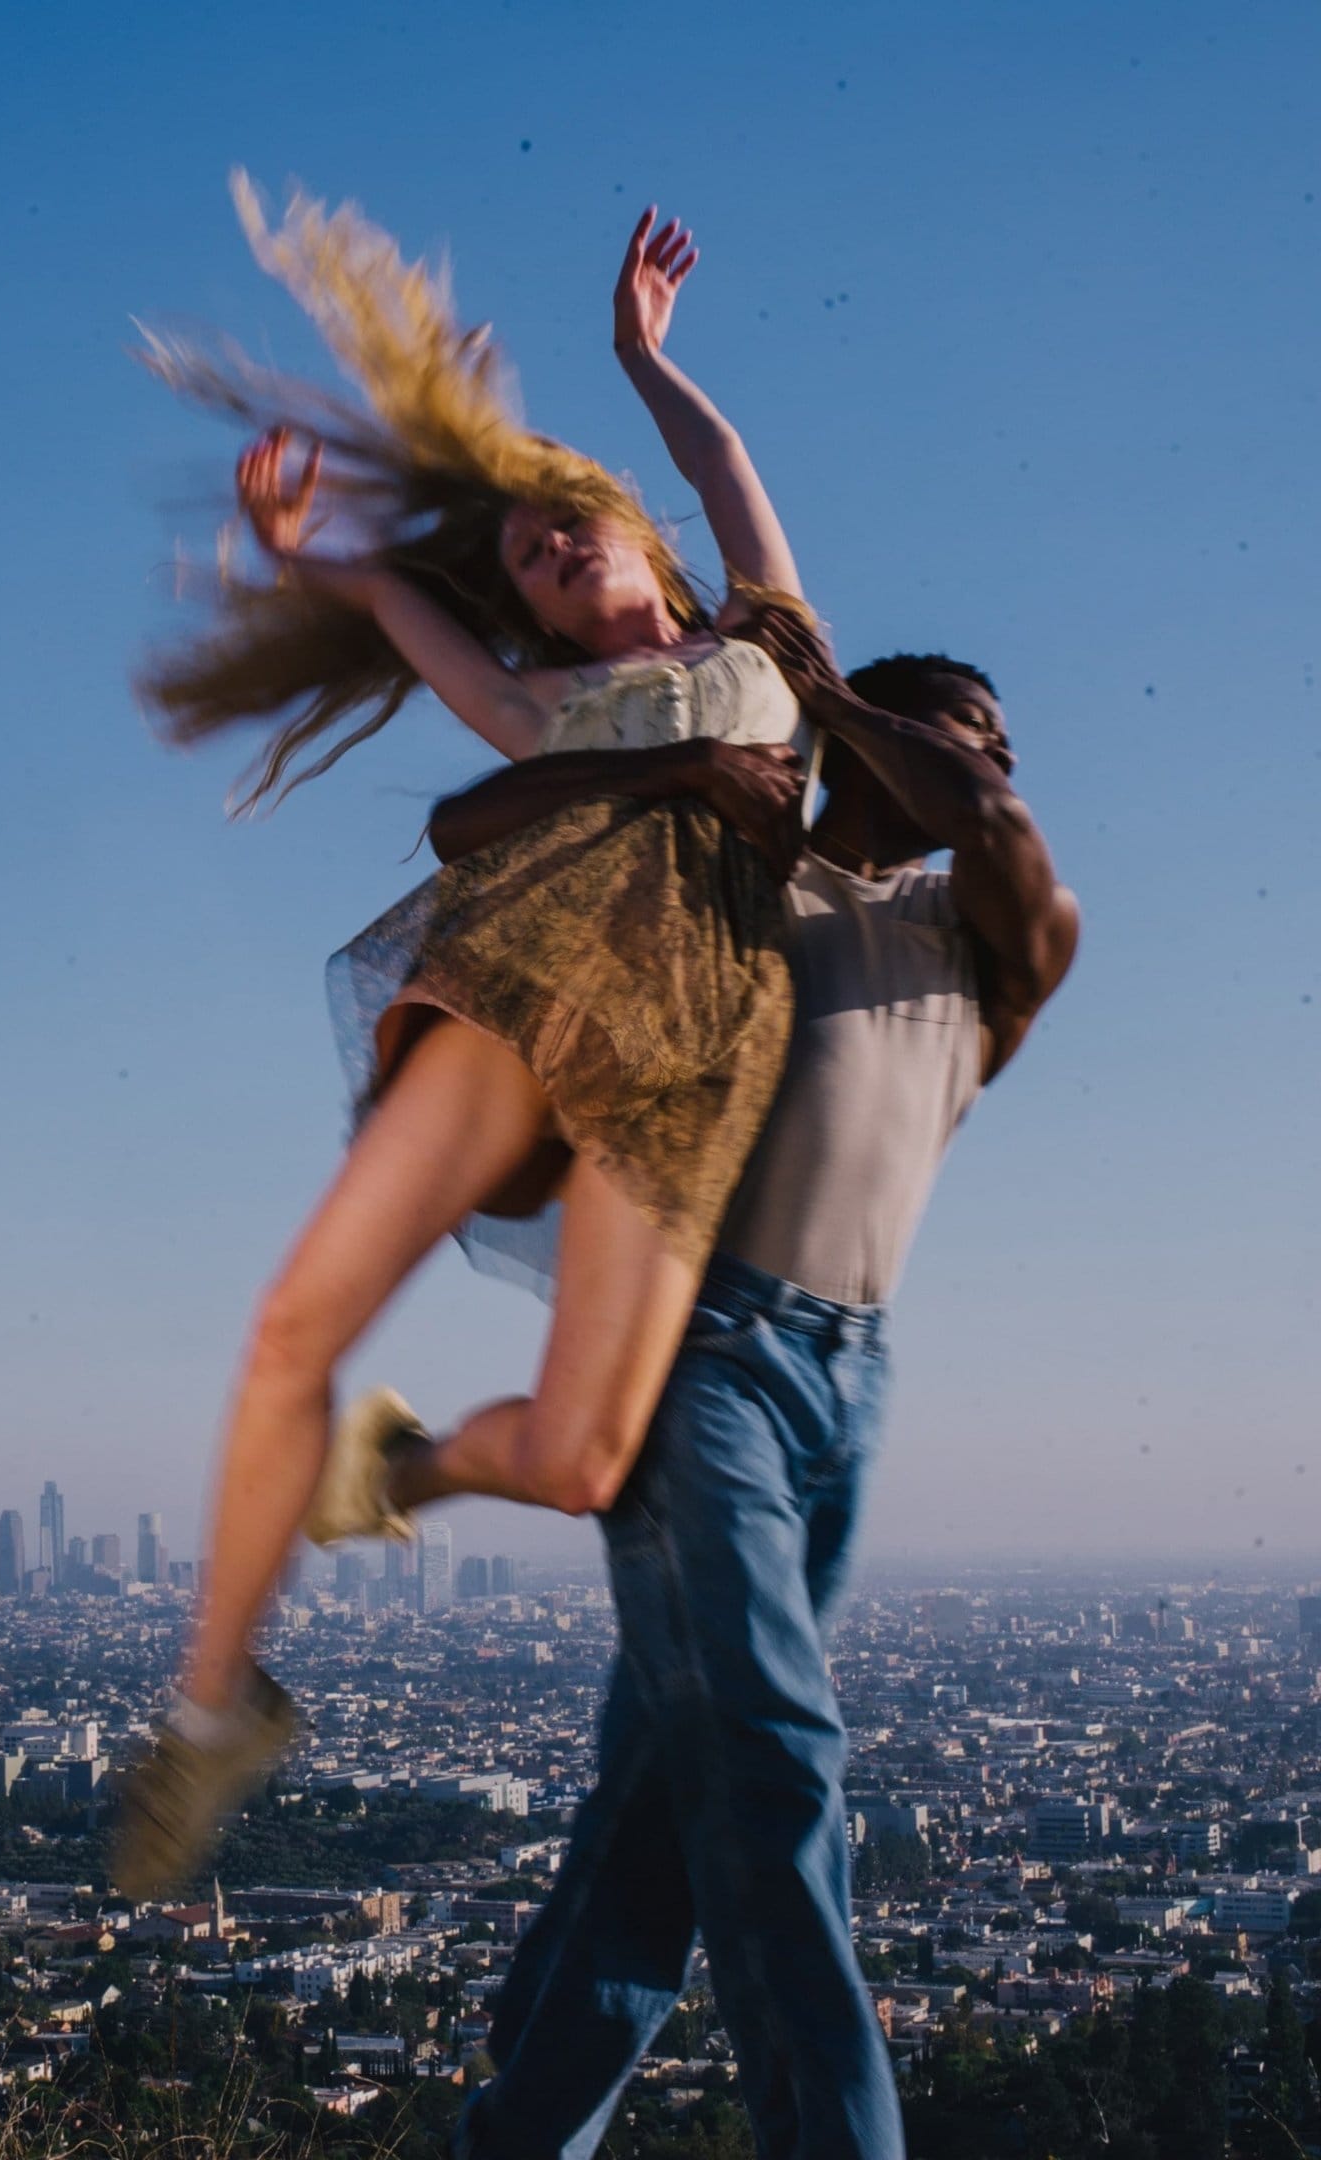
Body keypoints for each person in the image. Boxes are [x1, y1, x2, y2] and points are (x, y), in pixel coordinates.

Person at [112, 187, 832, 1900]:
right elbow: (397, 612)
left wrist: (644, 364)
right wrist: (315, 564)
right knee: (298, 1322)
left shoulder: (771, 642)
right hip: (538, 984)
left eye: (562, 523)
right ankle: (213, 1709)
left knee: (588, 1462)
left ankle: (400, 1468)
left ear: (631, 536)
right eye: (517, 557)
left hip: (698, 1056)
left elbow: (728, 469)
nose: (543, 551)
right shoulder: (545, 710)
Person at [436, 607, 1079, 2156]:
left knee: (664, 1814)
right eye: (952, 725)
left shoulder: (993, 944)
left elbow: (988, 815)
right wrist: (693, 756)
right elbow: (469, 826)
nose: (984, 760)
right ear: (863, 741)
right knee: (780, 1757)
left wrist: (838, 697)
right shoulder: (732, 890)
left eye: (990, 737)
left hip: (847, 1383)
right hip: (699, 1352)